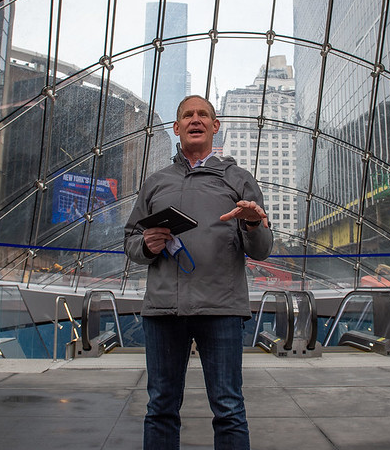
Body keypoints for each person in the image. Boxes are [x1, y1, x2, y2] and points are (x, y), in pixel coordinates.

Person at [124, 95, 273, 449]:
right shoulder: (156, 182)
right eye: (187, 115)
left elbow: (262, 248)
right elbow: (130, 241)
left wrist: (253, 225)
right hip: (164, 311)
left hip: (221, 309)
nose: (195, 119)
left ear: (214, 126)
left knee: (229, 410)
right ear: (177, 128)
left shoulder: (239, 180)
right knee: (160, 407)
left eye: (203, 114)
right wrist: (148, 245)